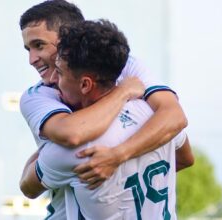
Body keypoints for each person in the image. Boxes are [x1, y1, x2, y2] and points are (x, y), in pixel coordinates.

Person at [19, 0, 188, 218]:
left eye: (39, 45)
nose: (31, 59)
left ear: (66, 39)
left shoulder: (74, 151)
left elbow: (30, 183)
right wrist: (123, 93)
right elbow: (183, 154)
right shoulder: (145, 109)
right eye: (28, 48)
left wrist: (118, 159)